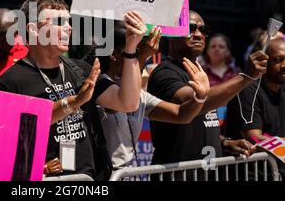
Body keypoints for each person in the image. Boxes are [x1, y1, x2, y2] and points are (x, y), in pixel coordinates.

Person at [0, 0, 144, 180]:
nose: (69, 28)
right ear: (33, 29)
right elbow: (2, 143)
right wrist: (74, 102)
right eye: (59, 22)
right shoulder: (10, 82)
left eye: (69, 21)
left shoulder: (80, 70)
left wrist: (131, 49)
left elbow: (128, 102)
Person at [147, 11, 268, 176]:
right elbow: (197, 100)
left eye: (203, 29)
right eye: (190, 28)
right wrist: (245, 77)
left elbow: (200, 122)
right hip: (178, 176)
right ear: (171, 34)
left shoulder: (197, 71)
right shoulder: (165, 72)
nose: (198, 34)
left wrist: (225, 142)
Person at [87, 25, 210, 170]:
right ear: (114, 54)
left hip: (124, 174)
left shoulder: (138, 94)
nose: (138, 57)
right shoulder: (99, 84)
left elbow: (181, 115)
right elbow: (122, 103)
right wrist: (142, 55)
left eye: (136, 51)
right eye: (133, 51)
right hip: (99, 175)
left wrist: (200, 97)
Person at [226, 36, 285, 179]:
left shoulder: (282, 88)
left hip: (276, 172)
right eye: (278, 60)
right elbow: (255, 138)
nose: (284, 65)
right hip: (252, 174)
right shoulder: (248, 89)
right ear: (264, 62)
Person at [203, 33, 240, 133]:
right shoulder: (200, 73)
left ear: (228, 51)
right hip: (207, 122)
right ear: (207, 51)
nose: (217, 49)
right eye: (213, 46)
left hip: (233, 121)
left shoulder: (237, 73)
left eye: (221, 46)